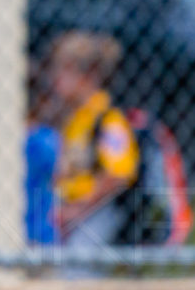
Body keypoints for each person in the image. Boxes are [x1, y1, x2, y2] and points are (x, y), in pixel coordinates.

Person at [46, 31, 139, 248]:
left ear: (89, 75)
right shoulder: (71, 117)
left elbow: (118, 174)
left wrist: (76, 210)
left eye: (64, 70)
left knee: (77, 276)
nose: (54, 79)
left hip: (94, 216)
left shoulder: (107, 118)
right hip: (65, 213)